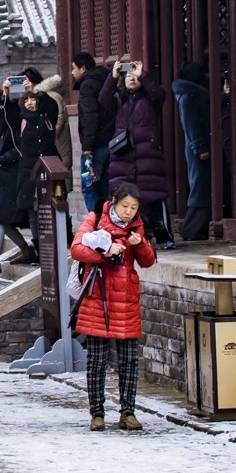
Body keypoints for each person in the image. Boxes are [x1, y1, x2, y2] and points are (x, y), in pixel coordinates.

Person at [70, 183, 157, 430]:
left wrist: (140, 244)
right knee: (96, 360)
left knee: (129, 360)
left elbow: (148, 261)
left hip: (127, 299)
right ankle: (97, 412)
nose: (129, 212)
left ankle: (128, 412)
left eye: (134, 207)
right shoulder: (96, 218)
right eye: (125, 206)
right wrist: (105, 252)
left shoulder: (137, 225)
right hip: (98, 297)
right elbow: (76, 249)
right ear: (114, 202)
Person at [99, 56, 174, 246]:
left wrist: (145, 75)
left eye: (134, 76)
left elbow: (159, 95)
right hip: (123, 158)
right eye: (128, 76)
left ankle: (164, 236)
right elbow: (103, 99)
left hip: (147, 157)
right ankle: (138, 236)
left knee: (153, 199)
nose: (131, 79)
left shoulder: (149, 100)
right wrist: (112, 77)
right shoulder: (118, 101)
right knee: (127, 200)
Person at [0, 81, 37, 264]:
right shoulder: (2, 130)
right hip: (2, 178)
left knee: (1, 217)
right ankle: (8, 254)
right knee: (1, 218)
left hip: (9, 178)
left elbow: (18, 150)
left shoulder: (11, 127)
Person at [171, 61, 213, 242]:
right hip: (198, 148)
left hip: (201, 145)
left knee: (203, 185)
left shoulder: (194, 94)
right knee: (200, 187)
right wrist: (199, 147)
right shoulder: (187, 97)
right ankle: (192, 229)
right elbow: (191, 125)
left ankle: (197, 228)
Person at [71, 52, 116, 215]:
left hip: (95, 146)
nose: (72, 72)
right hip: (110, 143)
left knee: (89, 187)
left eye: (73, 68)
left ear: (83, 69)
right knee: (104, 187)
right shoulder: (107, 81)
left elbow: (90, 117)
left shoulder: (87, 85)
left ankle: (97, 223)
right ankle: (108, 222)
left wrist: (87, 147)